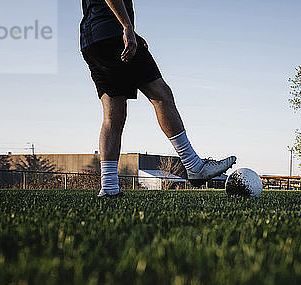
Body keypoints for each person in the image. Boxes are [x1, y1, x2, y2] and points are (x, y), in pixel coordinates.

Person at [80, 0, 236, 197]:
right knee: (161, 95)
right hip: (112, 31)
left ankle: (109, 187)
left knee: (113, 116)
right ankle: (193, 165)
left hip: (92, 40)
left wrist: (131, 30)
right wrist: (127, 26)